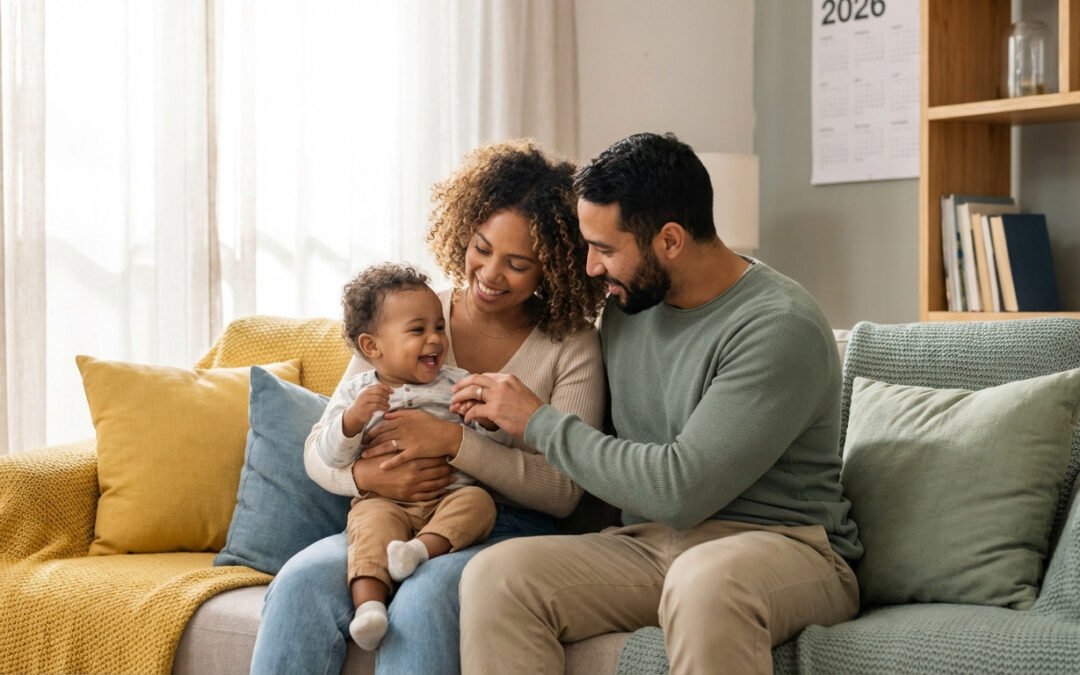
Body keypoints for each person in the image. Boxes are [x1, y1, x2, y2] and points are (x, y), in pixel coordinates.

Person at [452, 132, 864, 675]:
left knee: (707, 581)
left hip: (788, 548)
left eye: (604, 249)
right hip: (651, 546)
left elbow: (679, 490)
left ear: (670, 240)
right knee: (496, 575)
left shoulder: (777, 326)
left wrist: (537, 422)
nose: (592, 269)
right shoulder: (629, 308)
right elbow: (615, 469)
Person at [249, 139, 608, 674]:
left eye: (517, 264)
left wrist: (453, 443)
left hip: (504, 524)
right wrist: (367, 478)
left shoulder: (570, 344)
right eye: (481, 248)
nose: (489, 273)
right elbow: (320, 449)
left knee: (422, 600)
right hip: (390, 513)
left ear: (552, 269)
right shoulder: (413, 316)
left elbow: (563, 492)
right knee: (300, 582)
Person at [310, 263, 508, 651]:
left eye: (438, 327)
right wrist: (352, 421)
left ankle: (418, 551)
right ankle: (369, 609)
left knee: (479, 503)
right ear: (372, 347)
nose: (435, 339)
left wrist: (483, 420)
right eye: (418, 330)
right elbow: (328, 454)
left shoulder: (457, 382)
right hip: (386, 501)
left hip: (447, 498)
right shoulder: (357, 394)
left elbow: (496, 438)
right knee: (367, 527)